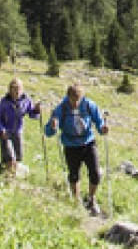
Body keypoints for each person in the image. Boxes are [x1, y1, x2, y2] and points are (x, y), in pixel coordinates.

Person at [44, 82, 110, 214]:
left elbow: (99, 121)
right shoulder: (61, 109)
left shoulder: (89, 105)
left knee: (95, 173)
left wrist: (102, 128)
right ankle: (76, 199)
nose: (75, 103)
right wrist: (53, 126)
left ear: (82, 97)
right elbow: (48, 132)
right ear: (67, 97)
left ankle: (91, 199)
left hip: (88, 142)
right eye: (72, 100)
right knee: (74, 175)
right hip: (71, 145)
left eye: (77, 100)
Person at [0, 77, 44, 175]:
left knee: (18, 157)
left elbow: (32, 114)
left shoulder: (26, 100)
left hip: (18, 132)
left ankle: (11, 174)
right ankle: (9, 176)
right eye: (14, 89)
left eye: (19, 89)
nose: (17, 92)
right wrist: (1, 130)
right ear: (10, 89)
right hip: (6, 132)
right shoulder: (4, 101)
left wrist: (37, 110)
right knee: (9, 157)